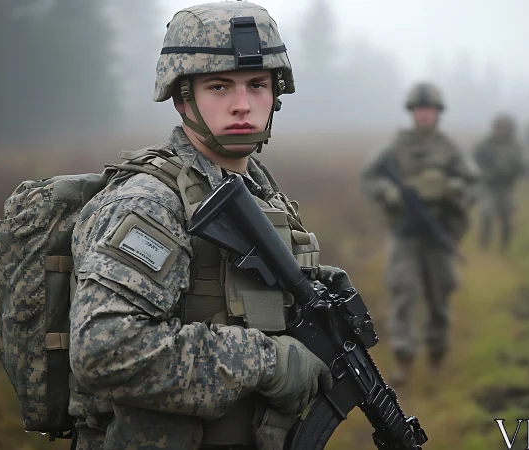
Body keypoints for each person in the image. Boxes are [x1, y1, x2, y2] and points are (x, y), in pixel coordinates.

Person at [67, 2, 335, 449]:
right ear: (181, 97)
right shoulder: (151, 203)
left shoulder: (259, 195)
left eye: (257, 85)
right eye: (218, 86)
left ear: (276, 95)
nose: (242, 105)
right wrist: (268, 364)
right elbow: (104, 350)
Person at [359, 81, 478, 387]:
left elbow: (473, 184)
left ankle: (437, 355)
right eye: (420, 110)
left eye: (430, 111)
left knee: (440, 296)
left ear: (438, 114)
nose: (425, 116)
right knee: (403, 293)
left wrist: (451, 188)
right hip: (405, 234)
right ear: (412, 113)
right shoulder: (394, 148)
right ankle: (404, 360)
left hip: (437, 234)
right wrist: (387, 191)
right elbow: (369, 178)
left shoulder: (449, 149)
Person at [472, 114, 526, 252]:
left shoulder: (515, 147)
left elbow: (519, 166)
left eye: (505, 128)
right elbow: (476, 161)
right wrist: (486, 173)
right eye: (499, 128)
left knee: (507, 219)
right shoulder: (485, 145)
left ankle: (504, 247)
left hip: (506, 187)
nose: (501, 131)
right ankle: (484, 245)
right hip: (488, 186)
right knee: (487, 214)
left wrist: (516, 171)